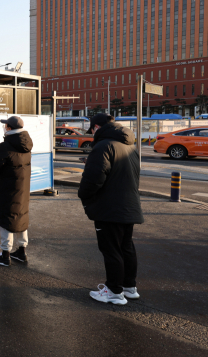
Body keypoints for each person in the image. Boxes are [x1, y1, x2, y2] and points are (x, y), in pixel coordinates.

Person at [78, 113, 143, 306]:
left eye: (91, 130)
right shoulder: (129, 145)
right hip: (128, 205)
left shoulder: (103, 146)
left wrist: (84, 195)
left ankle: (114, 292)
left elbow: (94, 179)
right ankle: (129, 287)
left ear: (96, 127)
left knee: (111, 249)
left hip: (109, 207)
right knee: (126, 247)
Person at [0, 116, 34, 266]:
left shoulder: (5, 146)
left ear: (9, 128)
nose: (4, 127)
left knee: (6, 219)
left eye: (5, 125)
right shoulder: (27, 145)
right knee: (20, 217)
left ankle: (5, 254)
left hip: (7, 190)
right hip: (23, 189)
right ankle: (21, 251)